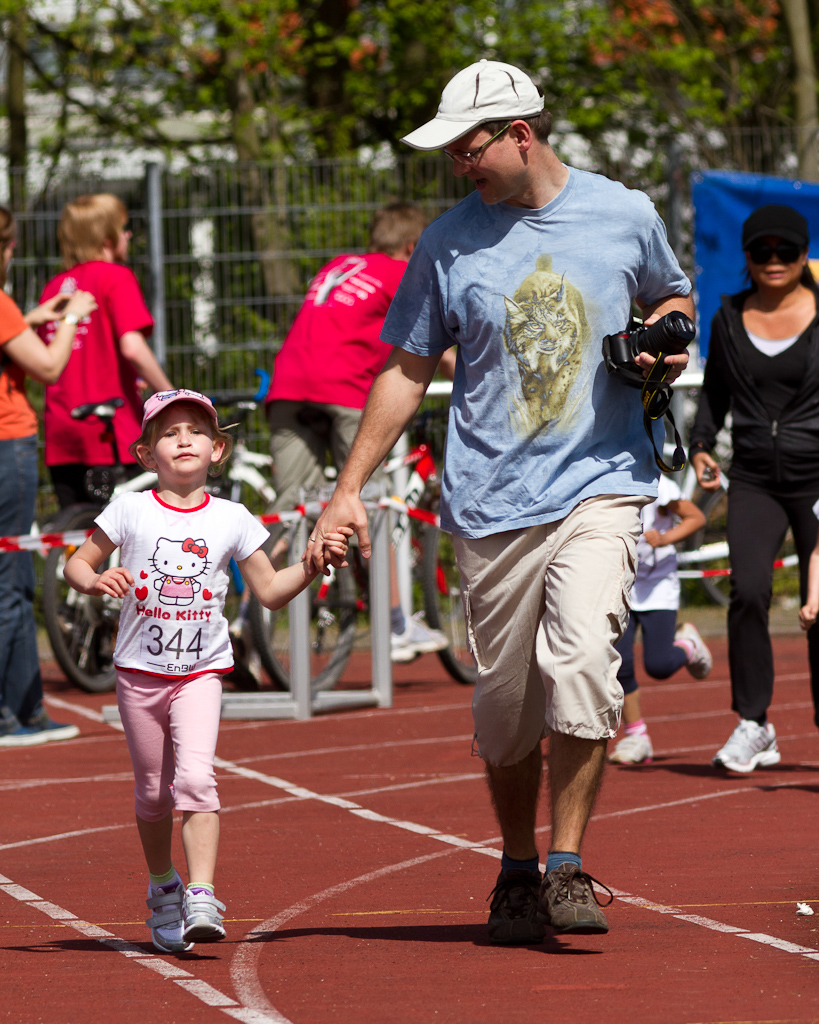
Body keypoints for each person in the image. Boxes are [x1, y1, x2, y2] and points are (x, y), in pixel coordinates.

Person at [305, 59, 693, 944]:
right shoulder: (446, 242)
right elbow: (406, 367)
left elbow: (671, 293)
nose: (457, 164)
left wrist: (663, 340)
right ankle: (517, 867)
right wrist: (347, 489)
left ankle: (566, 865)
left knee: (584, 662)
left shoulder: (624, 211)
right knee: (507, 710)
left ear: (520, 134)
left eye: (466, 147)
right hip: (491, 501)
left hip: (601, 483)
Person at [63, 388, 350, 952]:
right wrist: (94, 580)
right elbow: (78, 563)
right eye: (169, 433)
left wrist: (312, 565)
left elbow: (270, 591)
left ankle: (201, 893)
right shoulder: (129, 509)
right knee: (153, 794)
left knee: (196, 780)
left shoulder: (232, 518)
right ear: (147, 454)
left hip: (201, 674)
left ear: (217, 450)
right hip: (139, 673)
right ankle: (162, 884)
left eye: (196, 431)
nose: (184, 440)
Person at [265, 202, 450, 662]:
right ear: (412, 245)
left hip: (287, 387)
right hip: (343, 389)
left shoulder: (339, 265)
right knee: (370, 501)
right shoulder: (399, 272)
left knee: (288, 507)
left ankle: (247, 616)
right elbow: (432, 345)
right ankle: (395, 623)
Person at [690, 204, 819, 773]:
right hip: (754, 479)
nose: (773, 260)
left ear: (803, 254)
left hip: (817, 479)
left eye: (785, 250)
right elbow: (714, 393)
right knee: (747, 590)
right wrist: (701, 444)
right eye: (761, 251)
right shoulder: (727, 318)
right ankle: (754, 723)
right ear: (746, 257)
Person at [0, 206, 98, 747]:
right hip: (7, 440)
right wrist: (71, 318)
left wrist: (32, 317)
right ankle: (9, 713)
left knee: (14, 575)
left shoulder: (8, 309)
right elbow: (49, 367)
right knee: (8, 578)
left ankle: (26, 707)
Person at [36, 193, 173, 510]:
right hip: (111, 431)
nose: (129, 235)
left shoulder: (54, 287)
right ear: (107, 238)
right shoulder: (116, 277)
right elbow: (133, 347)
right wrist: (171, 395)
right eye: (123, 228)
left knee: (78, 529)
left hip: (63, 430)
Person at [609, 478, 712, 765]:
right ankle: (636, 736)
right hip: (621, 586)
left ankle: (689, 646)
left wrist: (666, 538)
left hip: (658, 587)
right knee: (619, 664)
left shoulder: (659, 484)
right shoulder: (606, 478)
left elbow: (696, 518)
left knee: (659, 666)